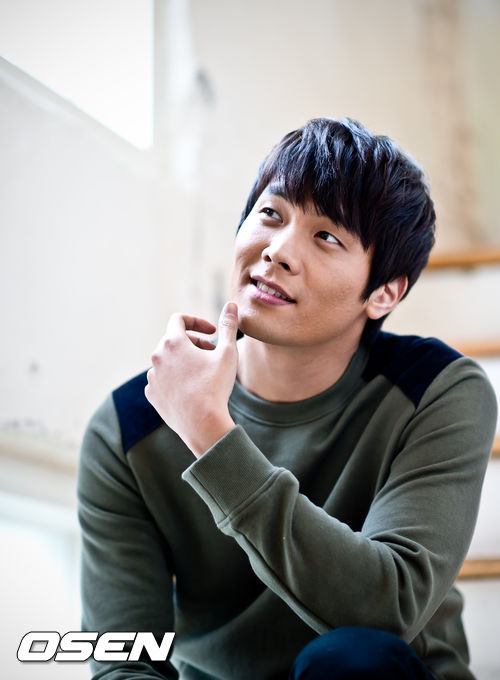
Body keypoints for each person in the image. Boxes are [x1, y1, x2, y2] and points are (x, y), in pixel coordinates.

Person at [78, 117, 497, 680]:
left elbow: (387, 610)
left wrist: (210, 435)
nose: (277, 251)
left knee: (350, 659)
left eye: (327, 237)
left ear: (383, 293)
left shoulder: (435, 391)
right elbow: (124, 663)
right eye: (271, 215)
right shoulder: (129, 426)